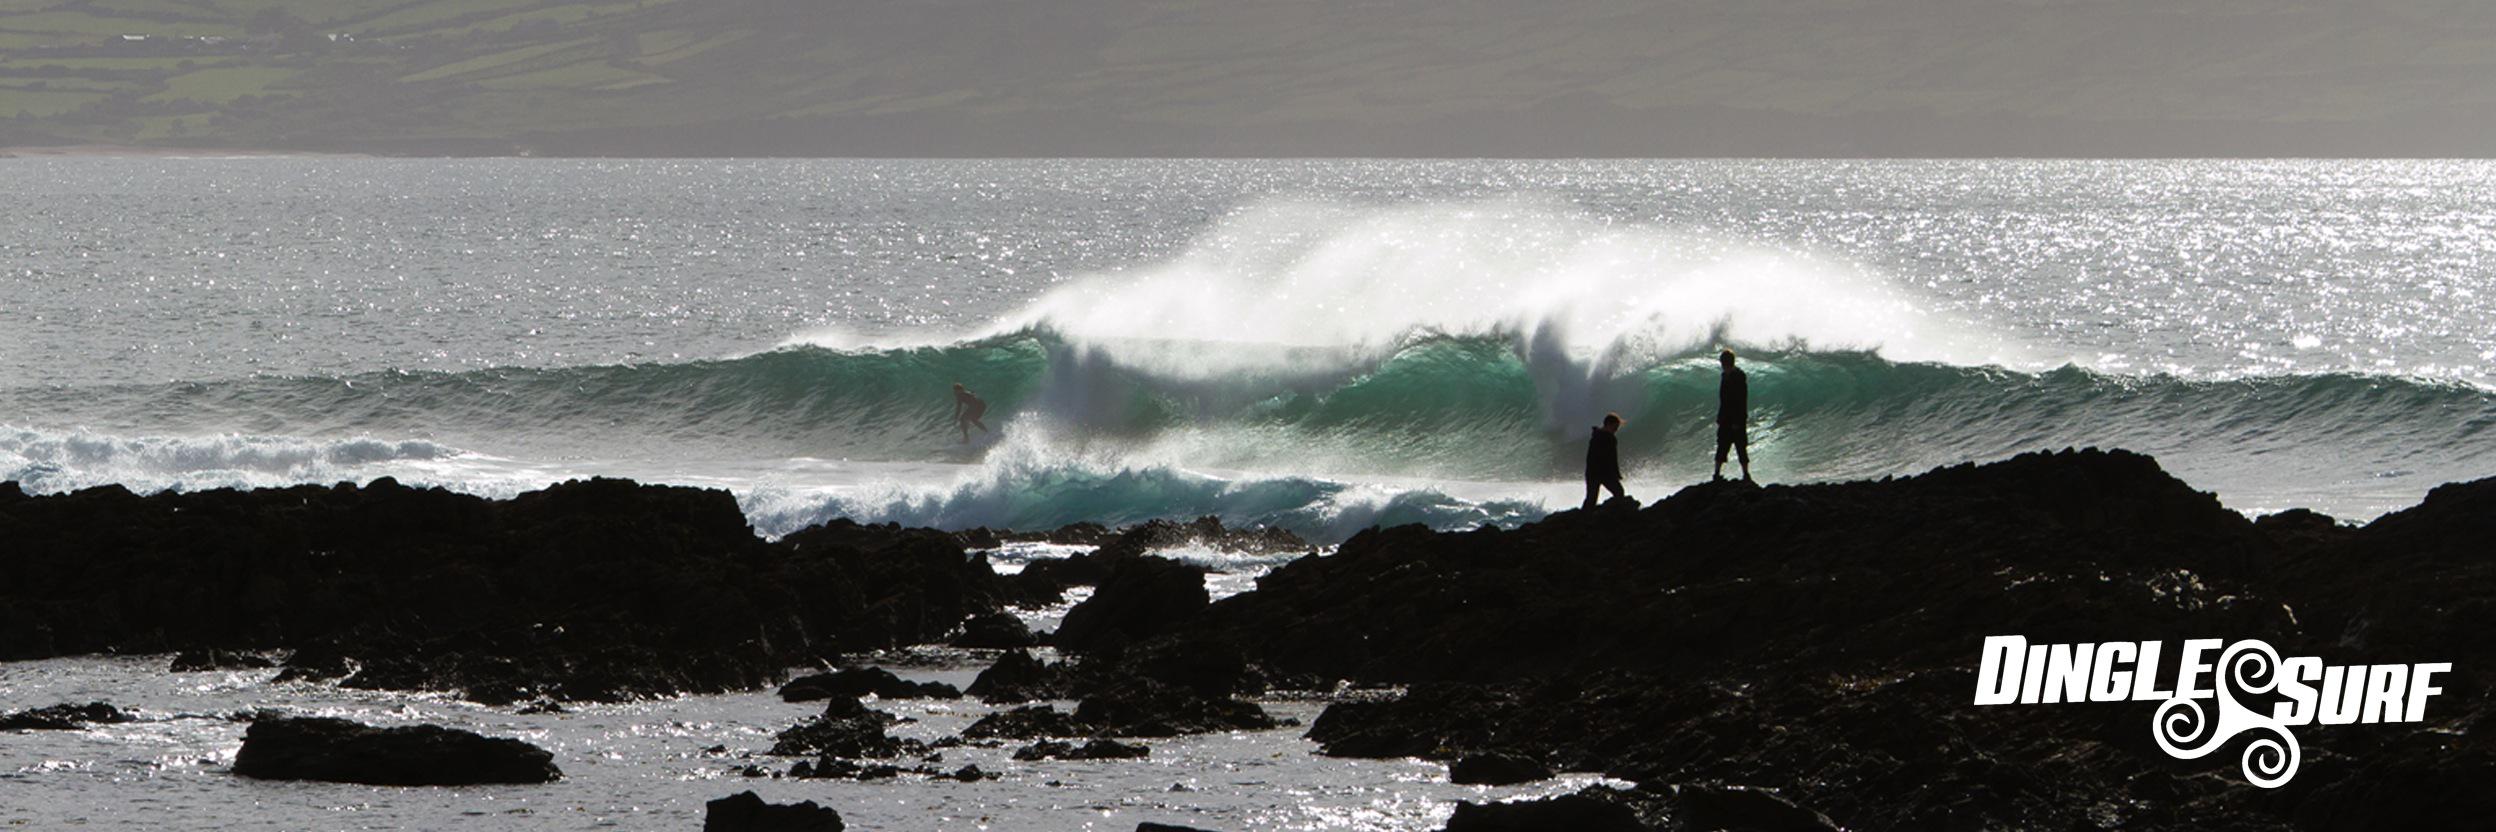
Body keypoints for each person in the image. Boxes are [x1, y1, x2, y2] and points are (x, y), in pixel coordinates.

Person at [1714, 349, 1752, 482]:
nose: (1722, 366)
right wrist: (1720, 416)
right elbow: (1723, 400)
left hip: (1737, 419)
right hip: (1725, 418)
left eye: (1723, 363)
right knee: (1722, 446)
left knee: (1741, 447)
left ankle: (1746, 474)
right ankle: (1717, 474)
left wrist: (1737, 421)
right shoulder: (1724, 376)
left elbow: (1741, 400)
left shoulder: (1739, 377)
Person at [1584, 412, 1625, 509]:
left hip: (1592, 472)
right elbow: (1612, 458)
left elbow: (1590, 457)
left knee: (1591, 499)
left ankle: (1583, 519)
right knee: (1619, 492)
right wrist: (1616, 474)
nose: (1616, 430)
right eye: (1615, 428)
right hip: (1603, 473)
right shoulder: (1610, 438)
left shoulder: (1595, 436)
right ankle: (1614, 515)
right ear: (1608, 425)